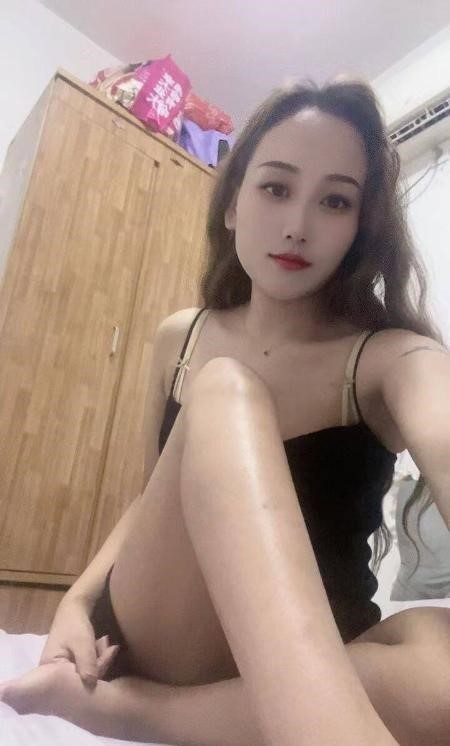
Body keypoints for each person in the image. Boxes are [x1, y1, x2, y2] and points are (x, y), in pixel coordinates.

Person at [1, 76, 450, 746]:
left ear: (360, 228)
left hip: (324, 652)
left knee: (440, 653)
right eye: (276, 187)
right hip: (170, 630)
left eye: (335, 201)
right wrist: (76, 600)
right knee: (226, 390)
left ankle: (132, 712)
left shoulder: (390, 360)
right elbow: (147, 501)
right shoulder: (180, 339)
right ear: (234, 202)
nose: (298, 225)